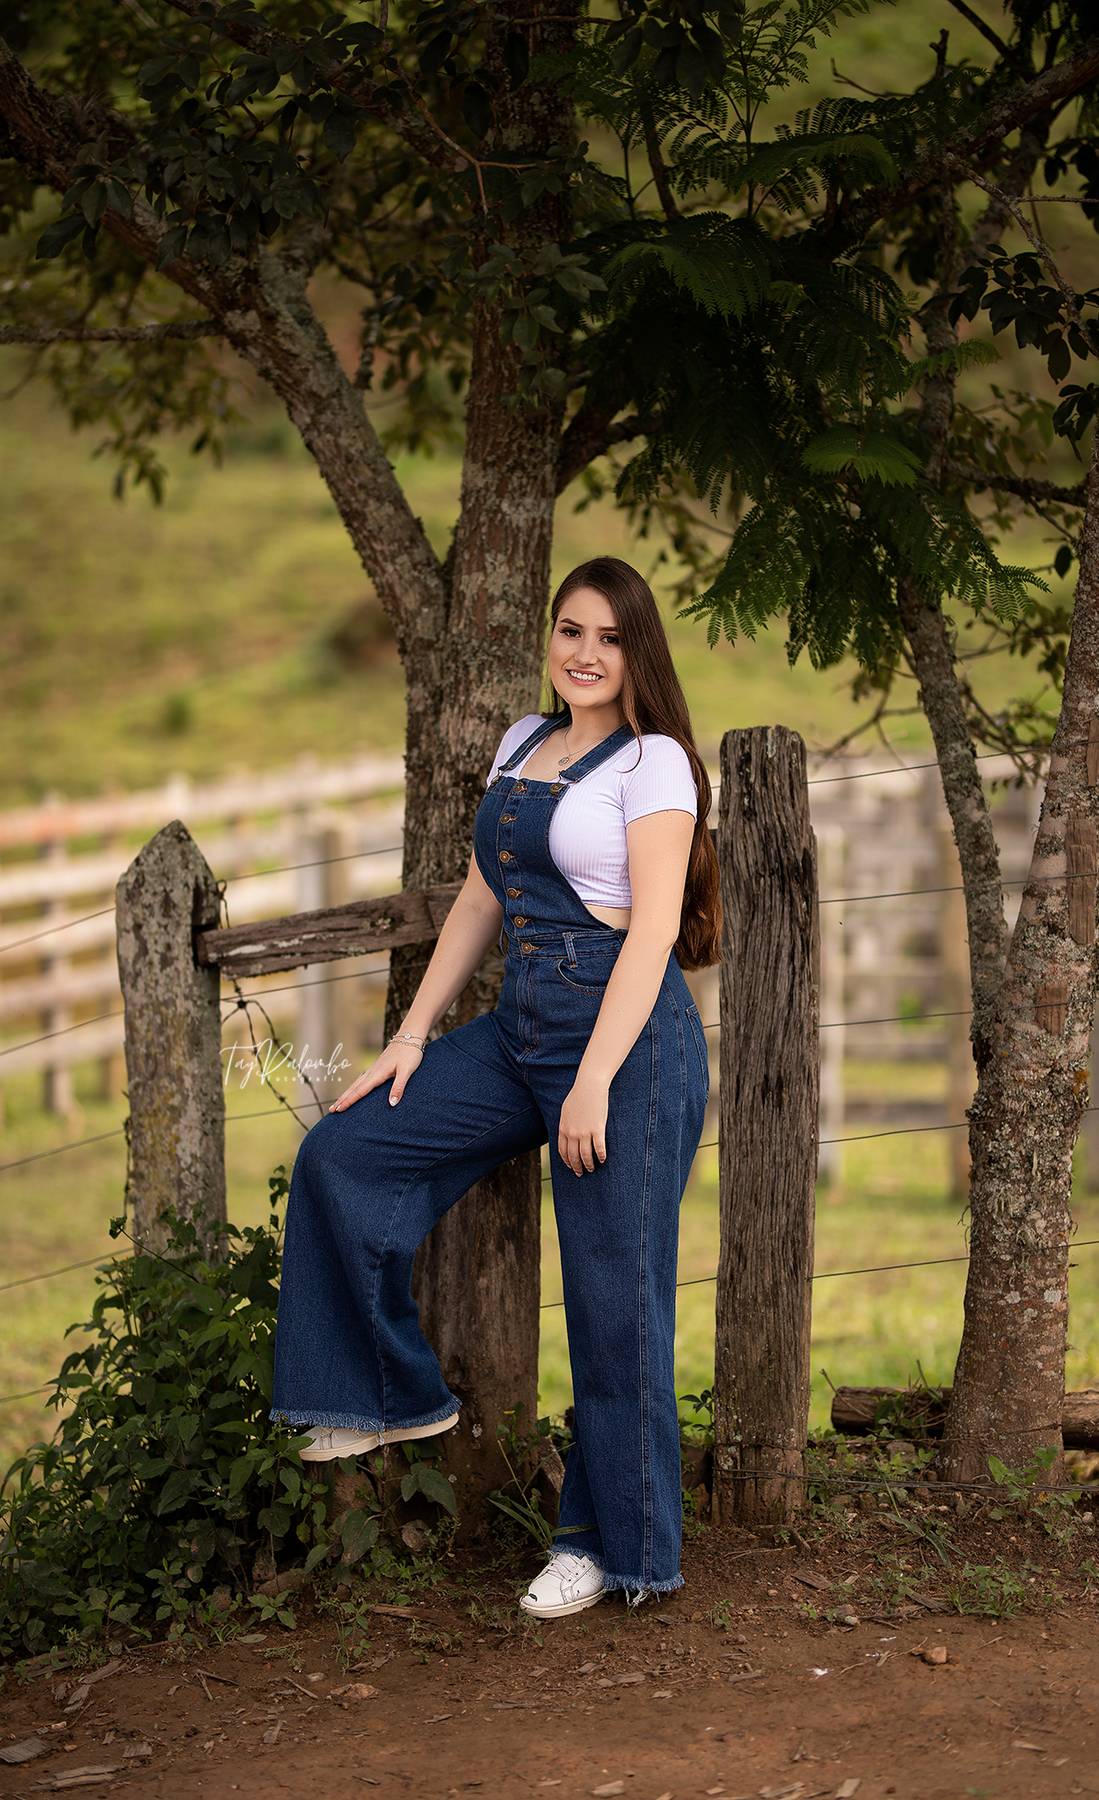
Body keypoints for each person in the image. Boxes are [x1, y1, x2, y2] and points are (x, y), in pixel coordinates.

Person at [271, 555, 720, 1617]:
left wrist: (596, 1080)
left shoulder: (654, 765)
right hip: (522, 1026)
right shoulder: (523, 742)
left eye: (609, 638)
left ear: (636, 652)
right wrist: (413, 1036)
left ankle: (620, 1552)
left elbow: (654, 929)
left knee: (616, 1305)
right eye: (571, 630)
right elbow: (479, 900)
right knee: (345, 1151)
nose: (585, 653)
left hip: (628, 1041)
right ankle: (389, 1393)